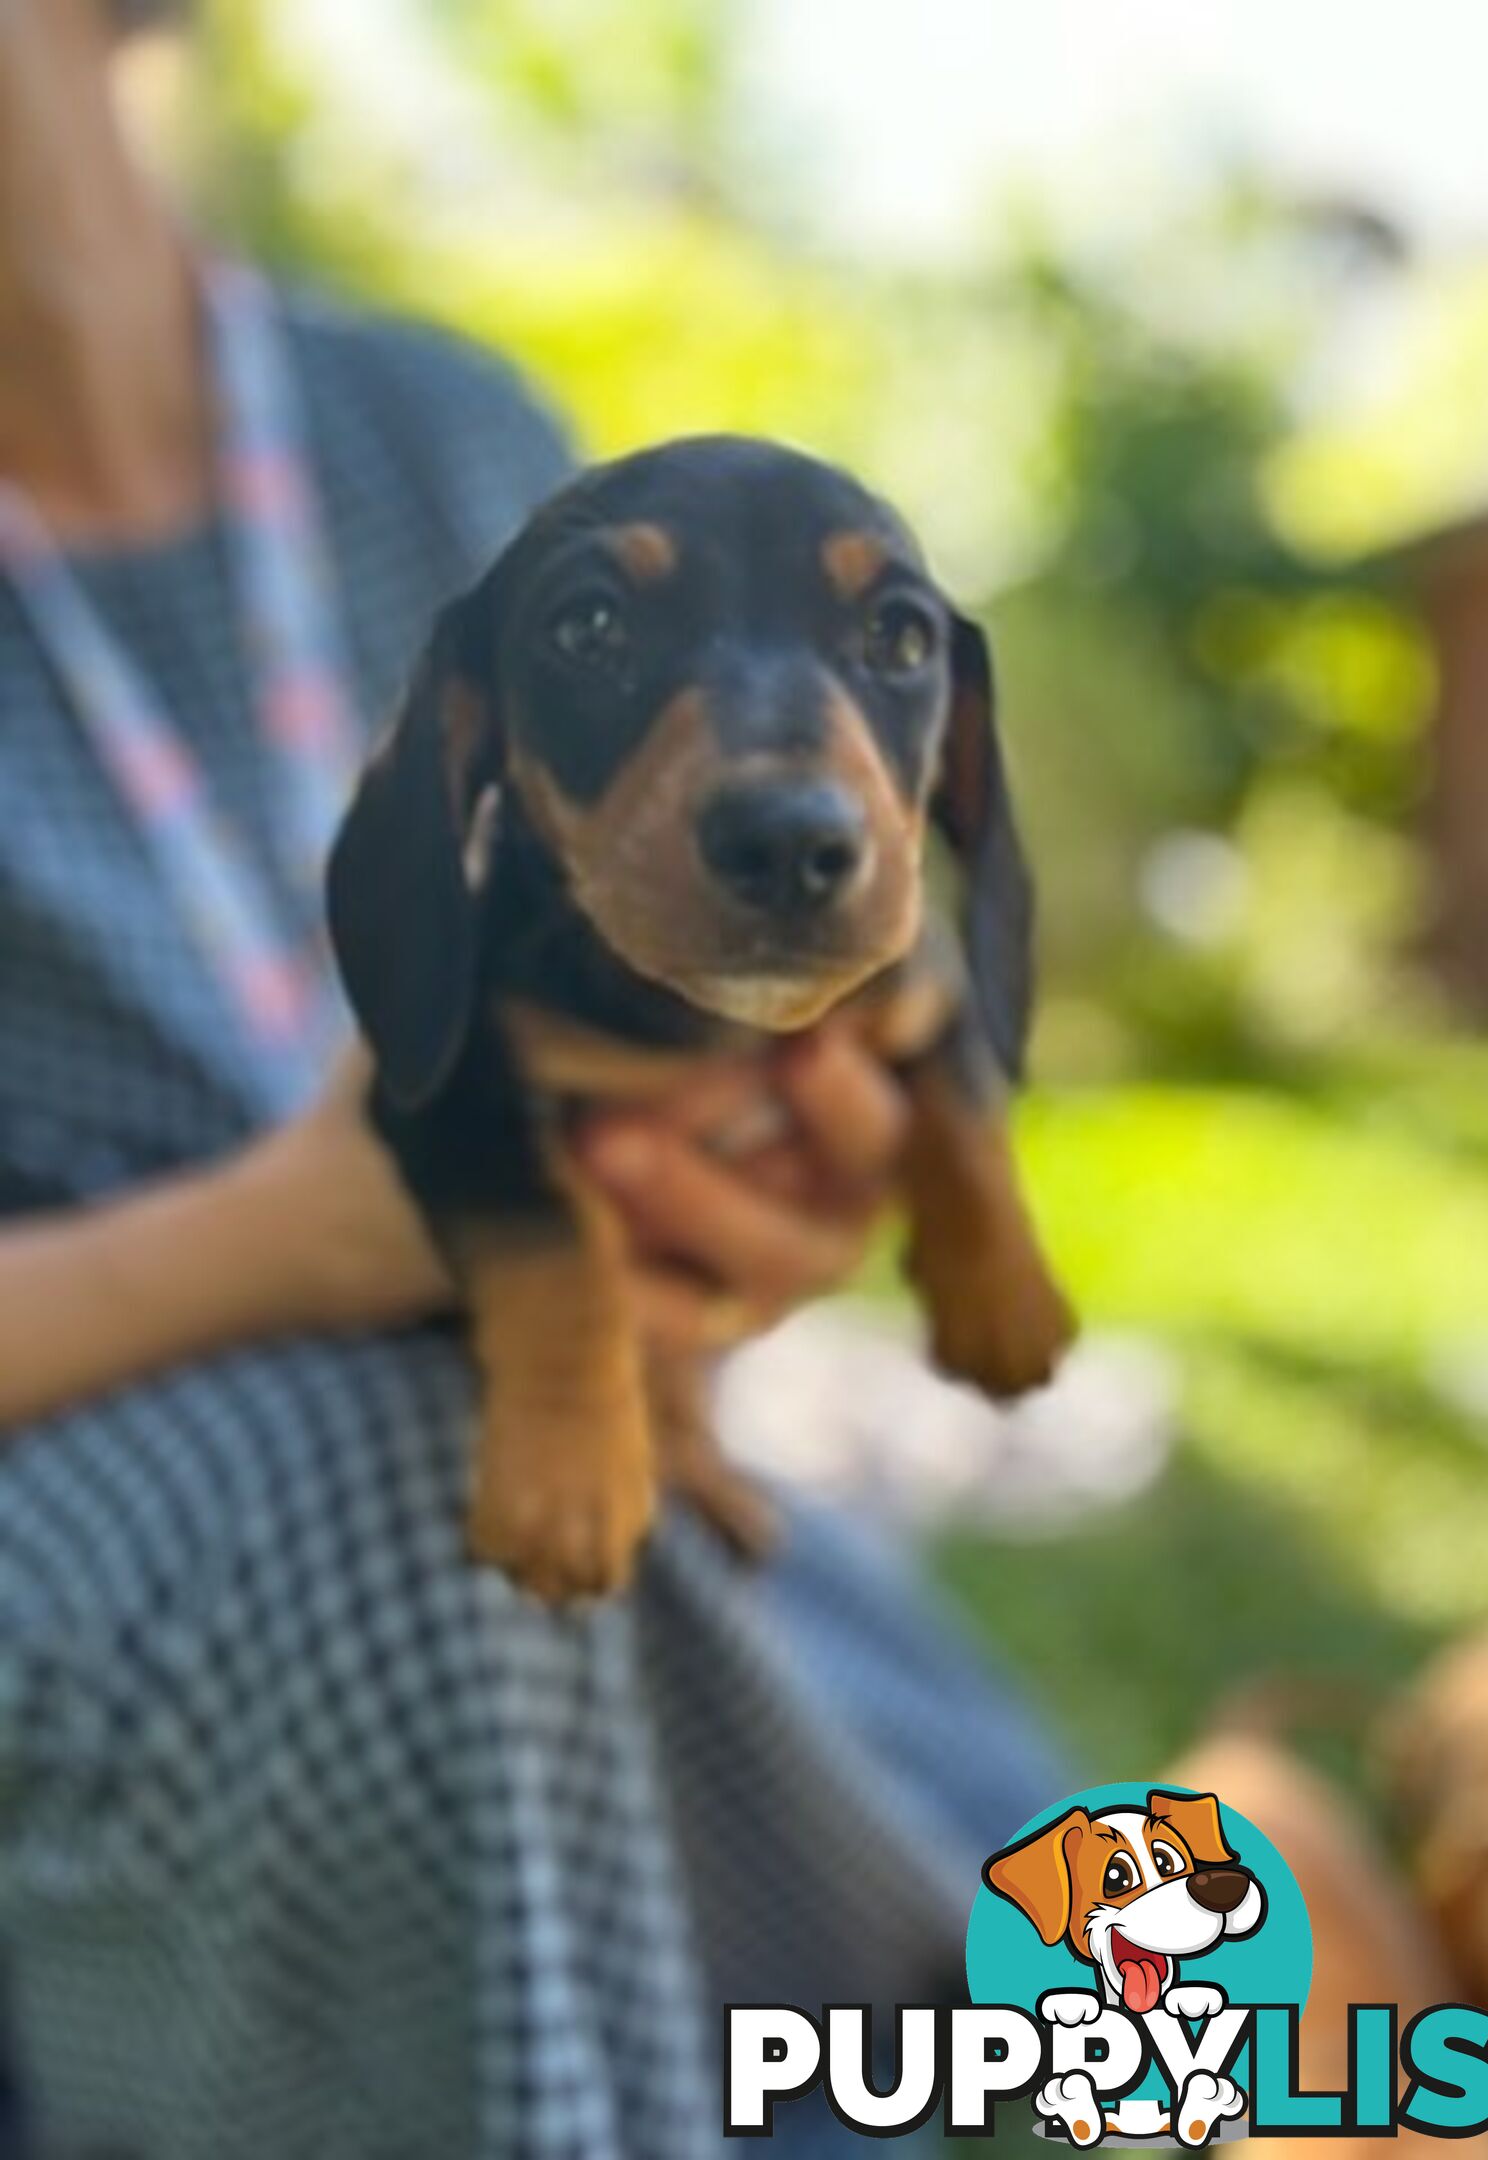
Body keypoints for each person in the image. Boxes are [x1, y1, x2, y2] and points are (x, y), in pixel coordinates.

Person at [0, 3, 1062, 2154]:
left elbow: (790, 995)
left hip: (614, 1480)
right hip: (164, 1535)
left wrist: (773, 1200)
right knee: (398, 1495)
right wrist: (287, 1239)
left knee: (1120, 1986)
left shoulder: (442, 441)